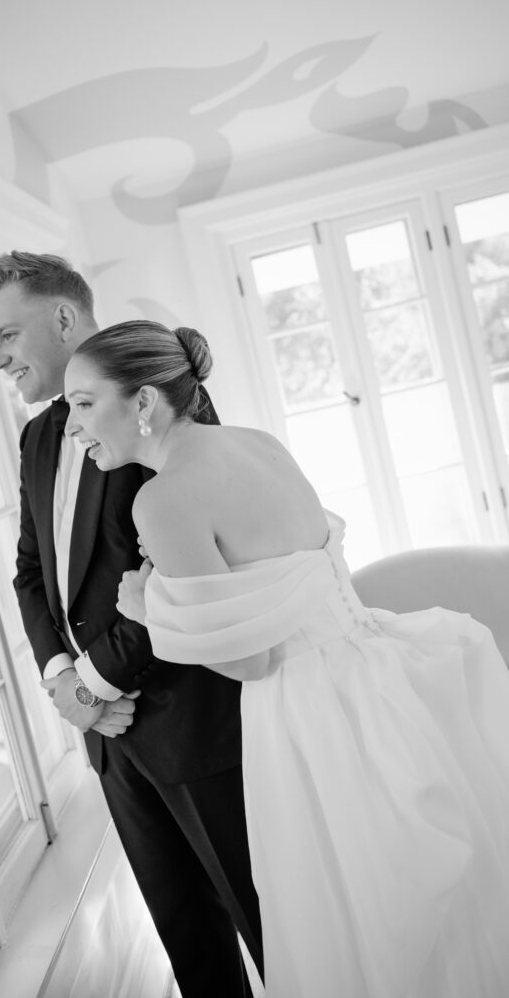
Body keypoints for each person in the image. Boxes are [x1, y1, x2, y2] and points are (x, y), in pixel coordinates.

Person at [64, 318, 509, 998]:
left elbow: (249, 661)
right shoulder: (256, 443)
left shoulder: (162, 499)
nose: (73, 426)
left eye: (84, 403)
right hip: (375, 676)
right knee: (424, 903)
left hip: (309, 711)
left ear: (145, 402)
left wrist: (147, 605)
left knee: (356, 915)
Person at [0, 253, 263, 998]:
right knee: (187, 941)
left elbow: (189, 578)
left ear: (64, 318)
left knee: (265, 919)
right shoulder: (39, 438)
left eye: (7, 333)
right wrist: (65, 683)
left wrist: (94, 682)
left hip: (195, 723)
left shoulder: (169, 408)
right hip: (109, 738)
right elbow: (31, 573)